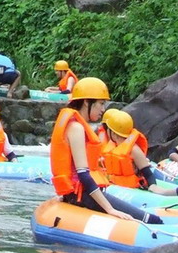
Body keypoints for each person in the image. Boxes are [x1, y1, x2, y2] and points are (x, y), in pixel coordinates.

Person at [50, 77, 162, 223]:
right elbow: (83, 175)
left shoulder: (73, 124)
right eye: (101, 103)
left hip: (76, 194)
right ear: (86, 102)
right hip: (82, 195)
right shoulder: (76, 128)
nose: (103, 109)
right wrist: (110, 209)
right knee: (153, 221)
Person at [100, 109, 158, 191]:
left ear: (113, 133)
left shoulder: (134, 150)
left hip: (132, 189)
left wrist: (153, 186)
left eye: (108, 129)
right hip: (113, 185)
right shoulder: (112, 146)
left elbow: (148, 174)